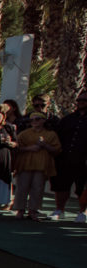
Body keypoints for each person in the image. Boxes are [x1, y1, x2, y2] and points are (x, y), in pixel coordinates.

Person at [13, 112, 61, 220]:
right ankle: (20, 210)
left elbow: (57, 150)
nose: (34, 122)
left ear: (43, 120)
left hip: (41, 164)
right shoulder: (24, 134)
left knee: (38, 188)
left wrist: (45, 145)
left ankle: (33, 211)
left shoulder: (51, 134)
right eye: (31, 120)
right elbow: (15, 147)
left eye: (37, 119)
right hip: (25, 164)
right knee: (22, 187)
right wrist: (28, 148)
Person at [48, 91, 87, 222]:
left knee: (82, 187)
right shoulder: (68, 119)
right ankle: (59, 210)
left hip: (83, 160)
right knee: (61, 185)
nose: (81, 102)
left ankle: (83, 212)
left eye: (84, 100)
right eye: (79, 100)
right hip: (64, 158)